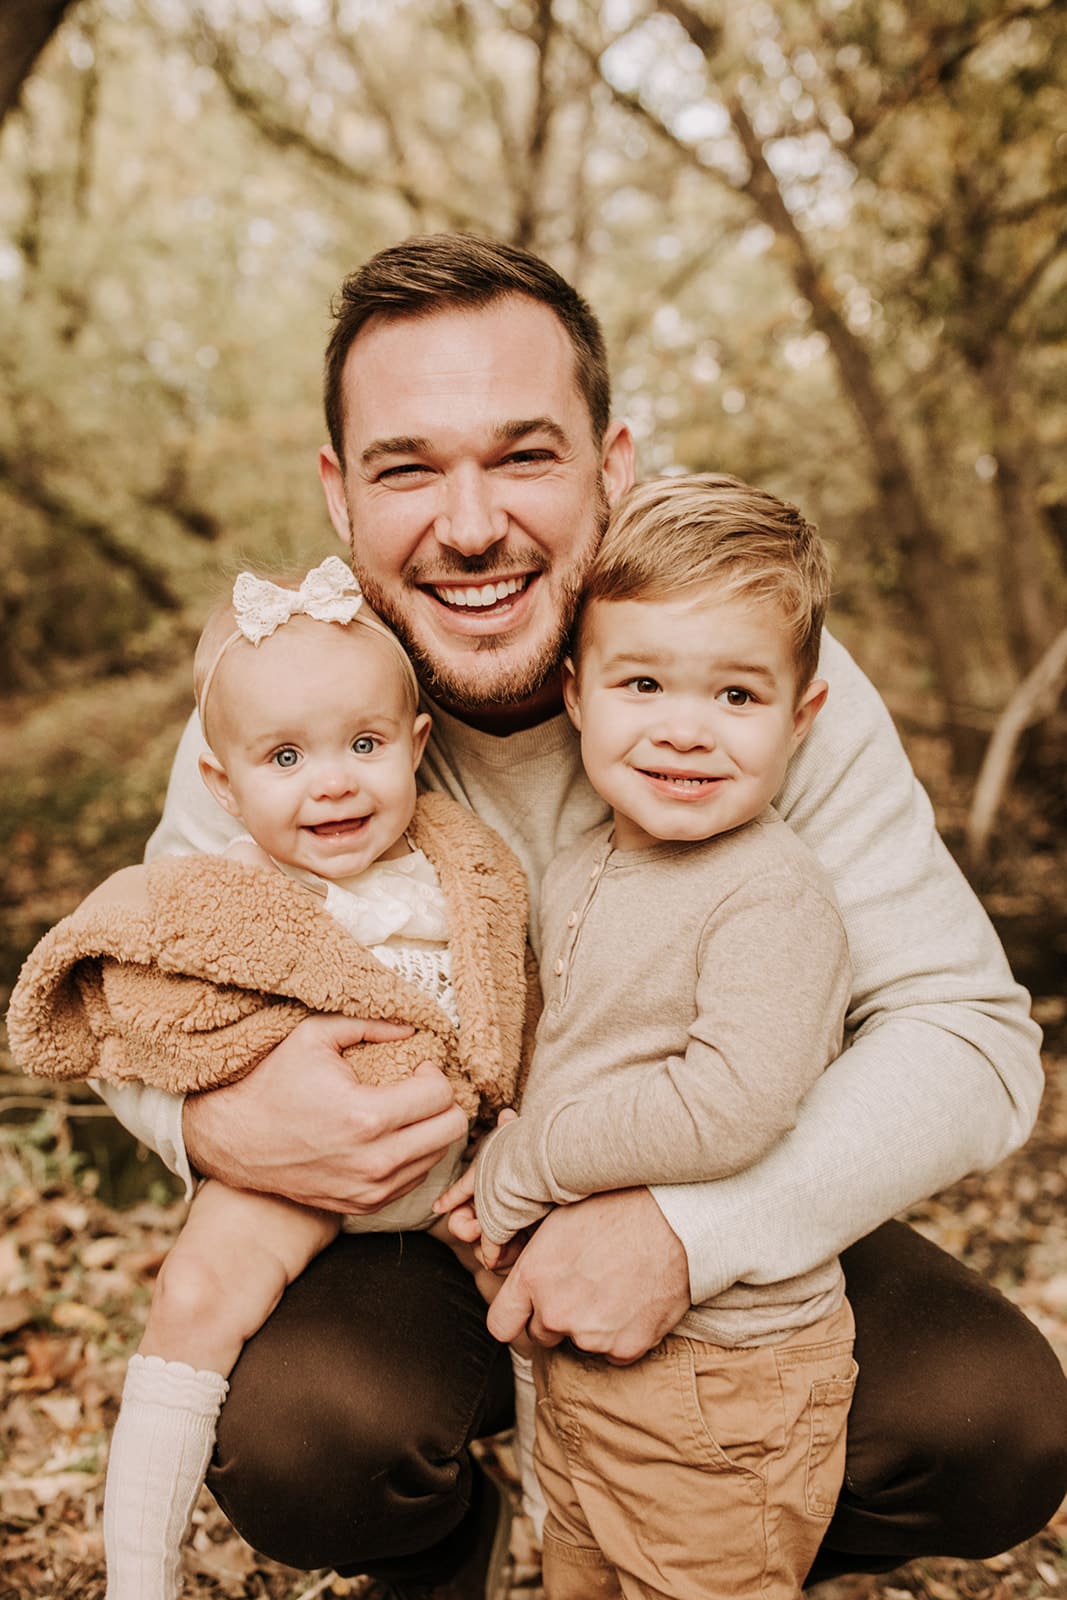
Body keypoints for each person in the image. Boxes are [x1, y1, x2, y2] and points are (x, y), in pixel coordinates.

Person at [91, 233, 1067, 1597]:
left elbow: (964, 1035)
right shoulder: (284, 700)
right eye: (408, 467)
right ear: (339, 495)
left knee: (988, 1424)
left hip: (697, 1172)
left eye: (523, 454)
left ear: (610, 466)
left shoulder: (728, 669)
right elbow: (139, 994)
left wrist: (689, 1228)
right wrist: (212, 1122)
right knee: (310, 1441)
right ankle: (454, 1545)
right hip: (411, 1239)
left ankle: (710, 1524)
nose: (471, 522)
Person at [8, 555, 531, 1600]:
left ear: (416, 749)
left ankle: (569, 1529)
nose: (331, 780)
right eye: (284, 756)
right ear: (222, 783)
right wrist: (212, 1102)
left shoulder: (465, 865)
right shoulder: (219, 894)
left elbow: (508, 990)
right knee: (196, 1290)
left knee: (542, 1309)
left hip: (460, 1157)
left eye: (364, 745)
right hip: (290, 1168)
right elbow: (141, 1002)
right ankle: (140, 1579)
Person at [436, 472, 859, 1598]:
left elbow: (727, 1102)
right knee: (580, 1566)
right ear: (575, 696)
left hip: (724, 1371)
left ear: (799, 716)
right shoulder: (587, 861)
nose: (683, 727)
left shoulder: (770, 895)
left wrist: (523, 1164)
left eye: (734, 695)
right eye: (641, 682)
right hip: (588, 1352)